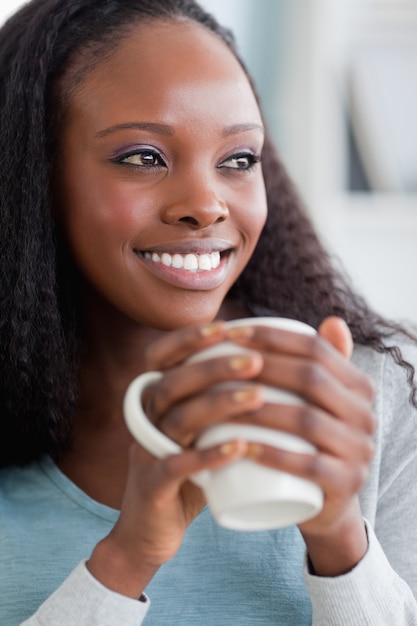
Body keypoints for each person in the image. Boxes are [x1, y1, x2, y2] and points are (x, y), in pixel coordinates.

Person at [0, 0, 416, 624]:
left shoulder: (374, 392)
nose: (207, 204)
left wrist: (338, 535)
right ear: (36, 176)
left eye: (238, 160)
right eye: (142, 157)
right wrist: (128, 558)